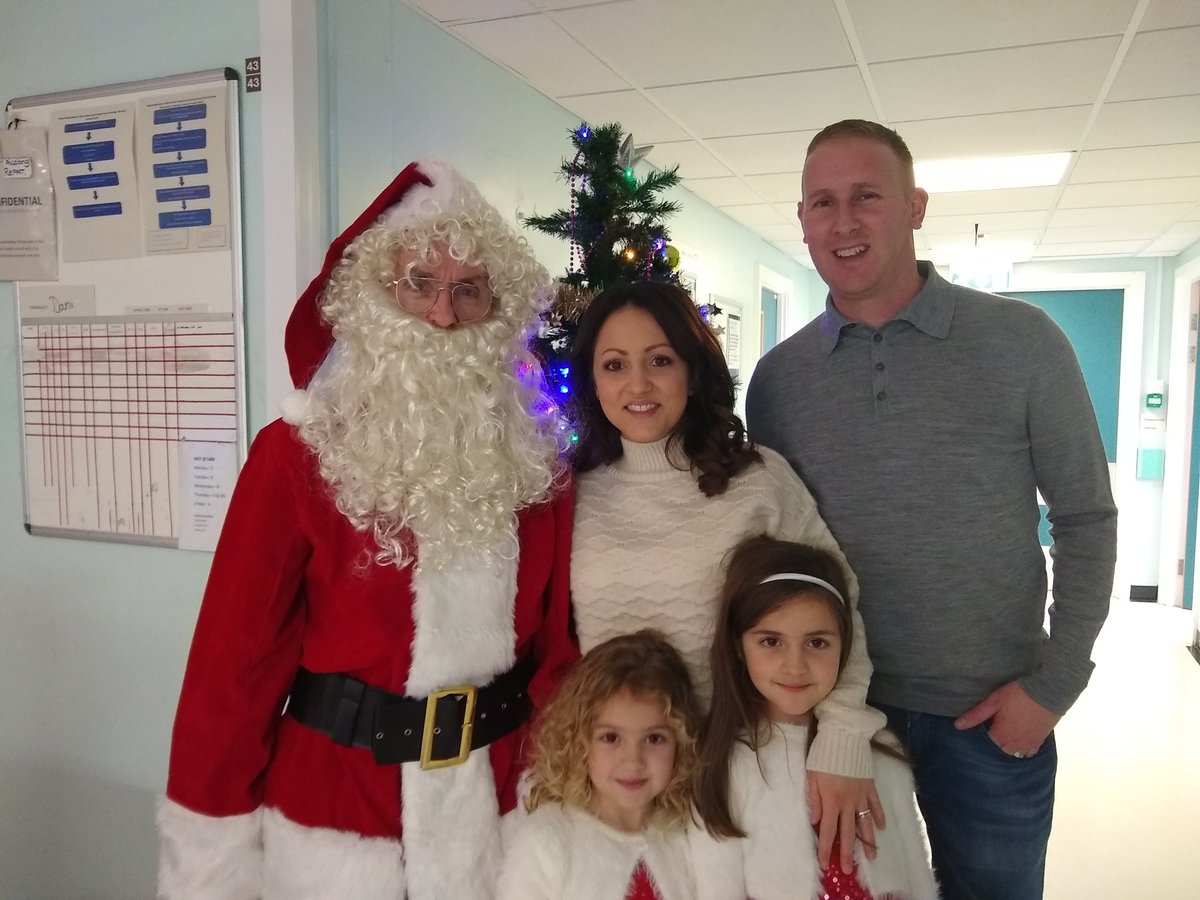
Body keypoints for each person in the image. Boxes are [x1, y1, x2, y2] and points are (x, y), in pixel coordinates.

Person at [157, 159, 578, 899]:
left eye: (468, 290)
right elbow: (233, 671)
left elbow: (557, 657)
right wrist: (210, 862)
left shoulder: (536, 464)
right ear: (374, 295)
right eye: (420, 283)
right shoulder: (298, 455)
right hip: (338, 823)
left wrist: (560, 799)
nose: (443, 316)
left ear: (498, 309)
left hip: (501, 821)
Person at [746, 119, 1118, 900]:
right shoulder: (778, 381)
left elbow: (1085, 517)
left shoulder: (1023, 342)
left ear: (915, 206)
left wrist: (1055, 685)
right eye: (822, 203)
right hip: (841, 718)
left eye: (867, 197)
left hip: (989, 718)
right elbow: (780, 554)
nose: (843, 222)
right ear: (803, 220)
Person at [569, 280, 886, 874]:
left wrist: (844, 735)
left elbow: (837, 607)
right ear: (592, 381)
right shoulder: (571, 495)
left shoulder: (757, 480)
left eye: (659, 360)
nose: (638, 385)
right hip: (623, 786)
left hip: (748, 779)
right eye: (614, 365)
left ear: (693, 371)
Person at [690, 536, 939, 900]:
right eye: (771, 641)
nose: (795, 666)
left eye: (817, 642)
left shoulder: (881, 751)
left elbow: (916, 877)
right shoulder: (722, 764)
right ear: (738, 647)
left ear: (845, 645)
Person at [496, 629, 700, 900]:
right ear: (580, 742)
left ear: (681, 743)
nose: (633, 760)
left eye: (654, 738)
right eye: (611, 738)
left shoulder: (685, 835)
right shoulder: (548, 839)